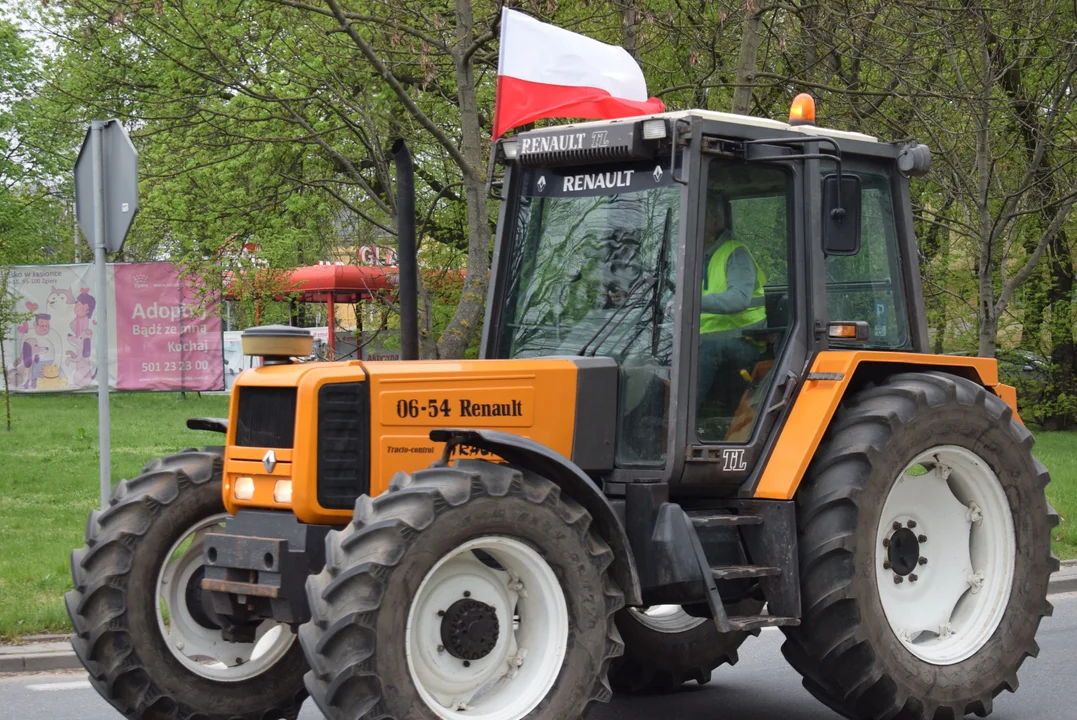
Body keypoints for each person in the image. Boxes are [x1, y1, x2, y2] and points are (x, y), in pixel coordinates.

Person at [697, 194, 767, 415]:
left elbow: (739, 298)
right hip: (701, 341)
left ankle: (682, 417)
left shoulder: (736, 254)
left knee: (705, 352)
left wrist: (690, 302)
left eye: (699, 215)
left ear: (716, 220)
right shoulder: (695, 257)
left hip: (744, 342)